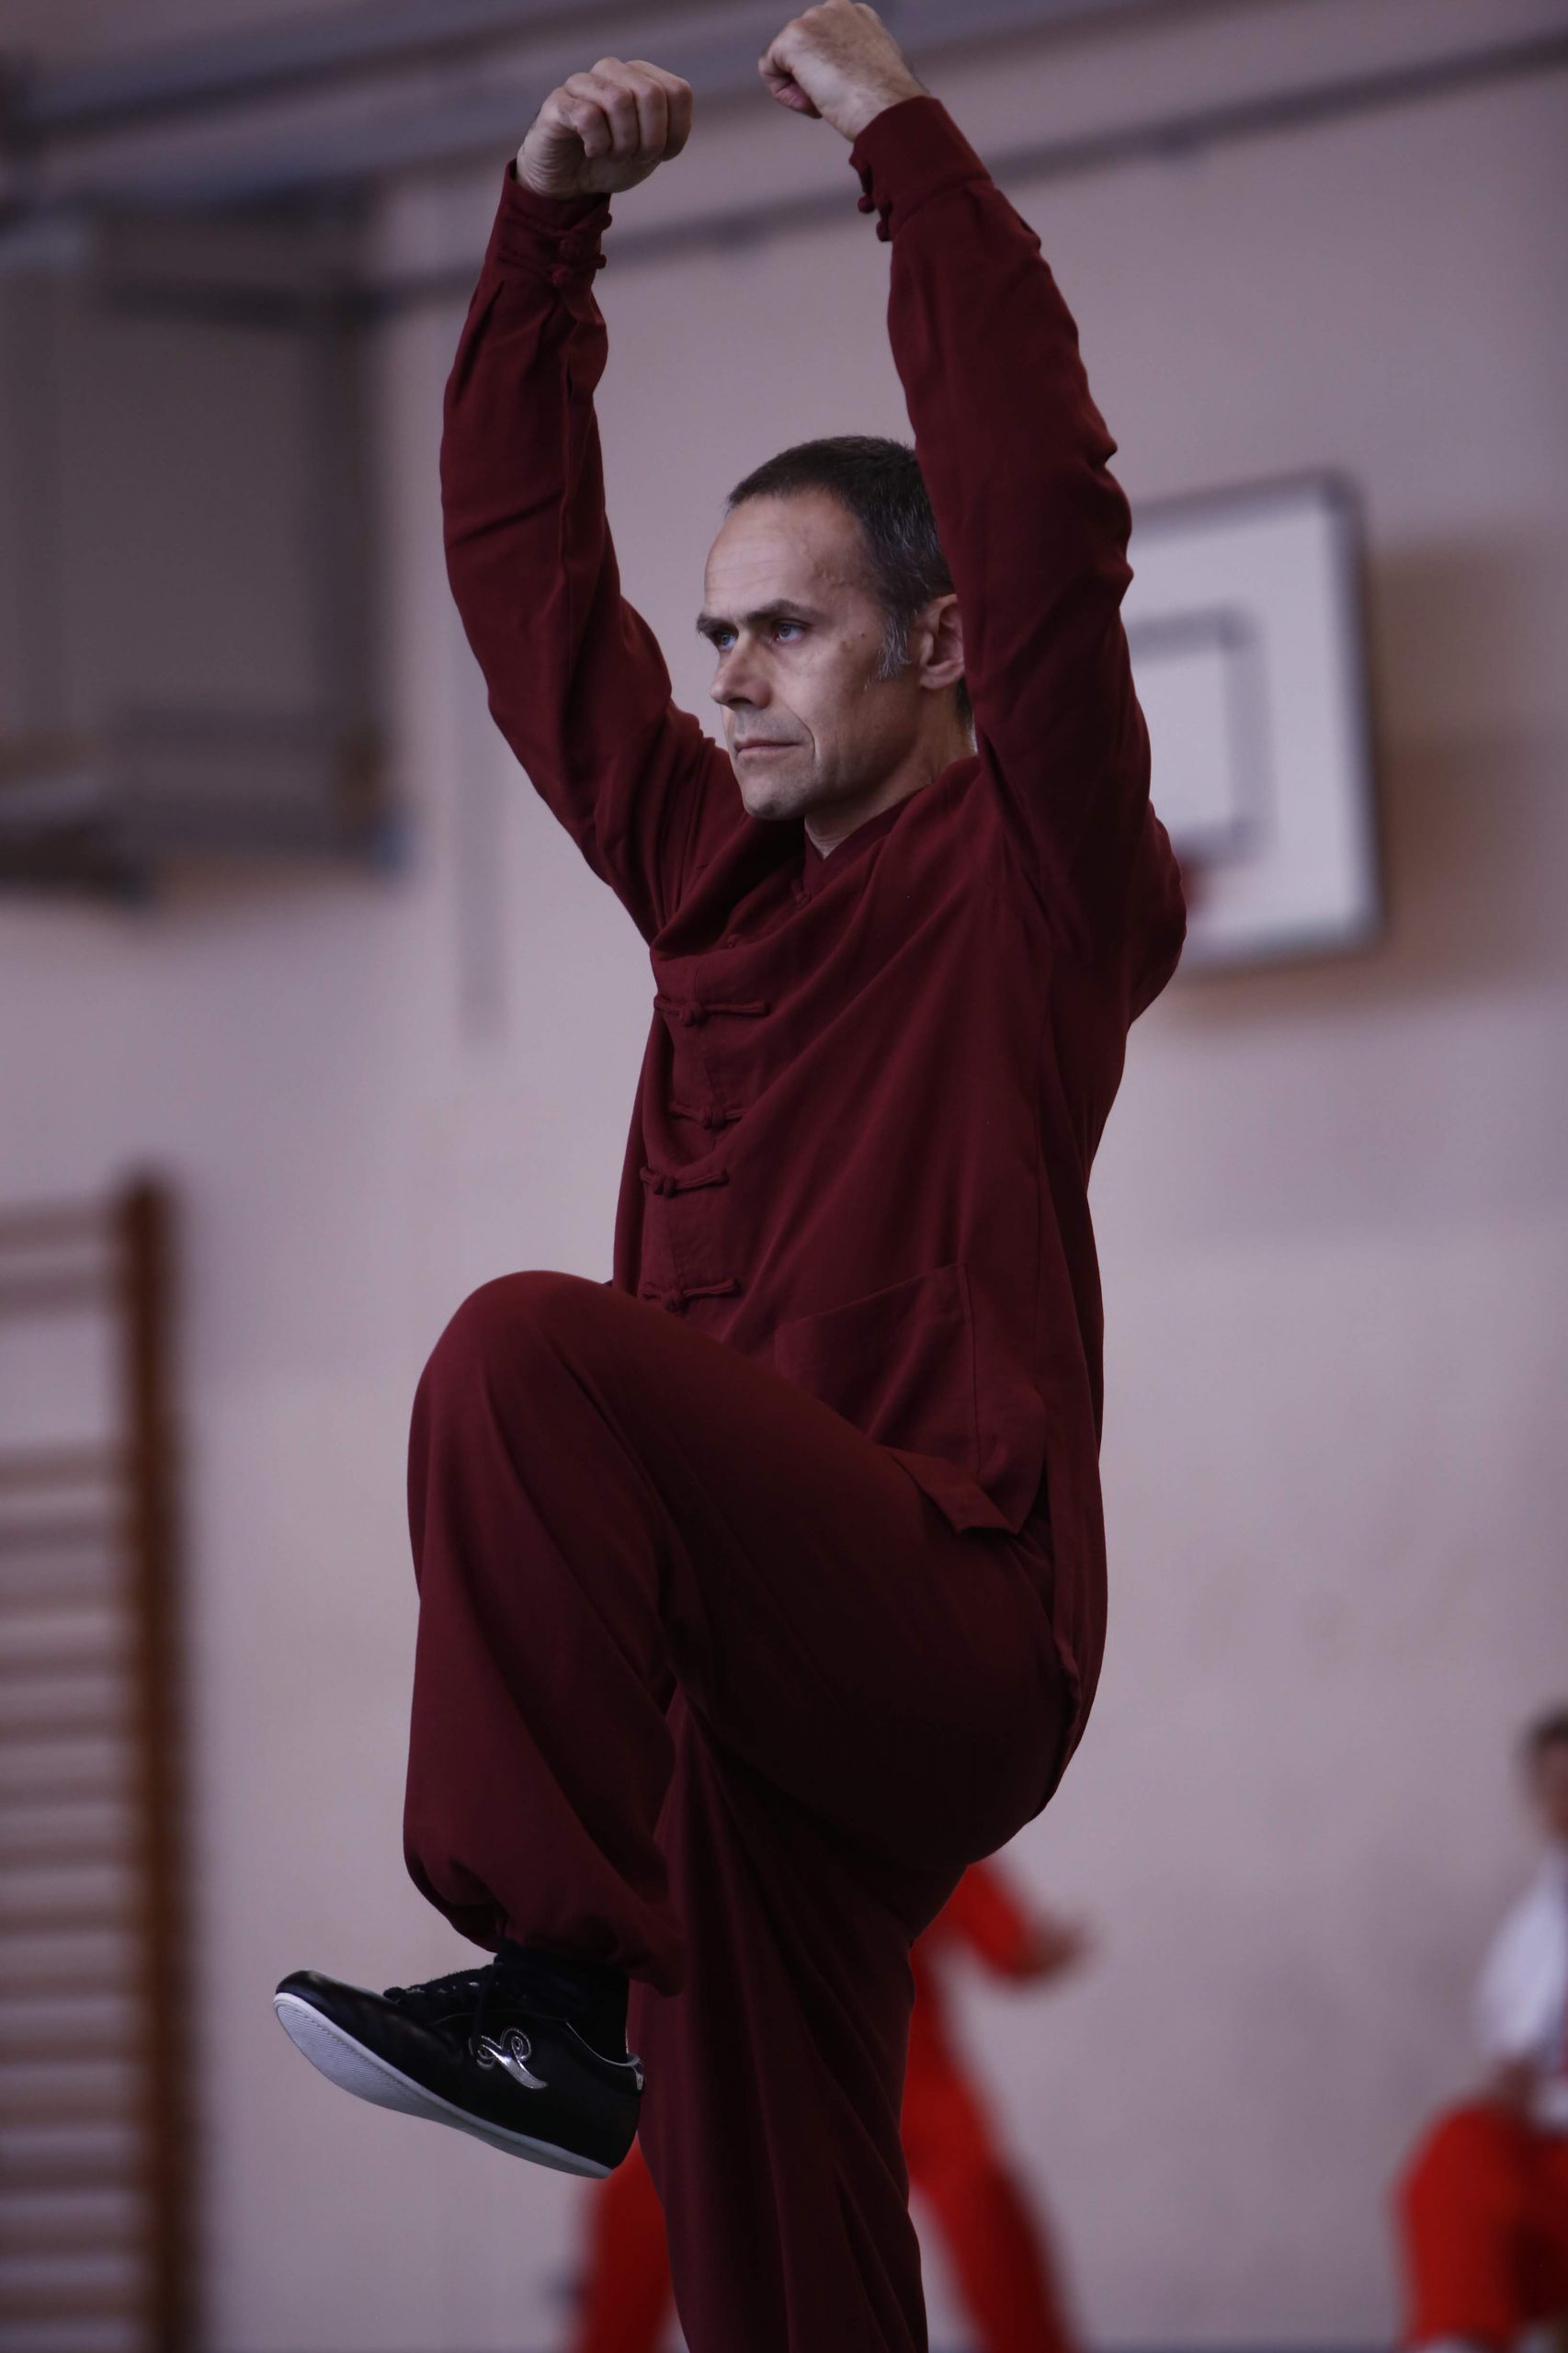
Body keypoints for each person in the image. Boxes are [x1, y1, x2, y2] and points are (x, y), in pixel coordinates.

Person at [273, 6, 1185, 2347]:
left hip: (945, 1616)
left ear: (943, 643)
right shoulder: (710, 882)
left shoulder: (1041, 873)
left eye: (786, 625)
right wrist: (537, 240)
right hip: (743, 1686)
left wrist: (907, 150)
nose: (733, 676)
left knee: (523, 1359)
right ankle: (598, 2019)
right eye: (717, 636)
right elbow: (520, 585)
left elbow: (1045, 517)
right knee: (770, 2237)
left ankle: (545, 1986)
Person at [570, 1859, 1090, 2353]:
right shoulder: (707, 1823)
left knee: (975, 2195)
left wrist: (1019, 1945)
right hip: (751, 2069)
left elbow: (975, 1893)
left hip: (894, 2071)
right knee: (654, 2195)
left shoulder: (901, 1816)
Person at [1393, 1707, 1568, 2351]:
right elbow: (1514, 2057)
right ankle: (1459, 2338)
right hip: (1549, 2157)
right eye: (1558, 1788)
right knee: (1458, 2150)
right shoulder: (1534, 1928)